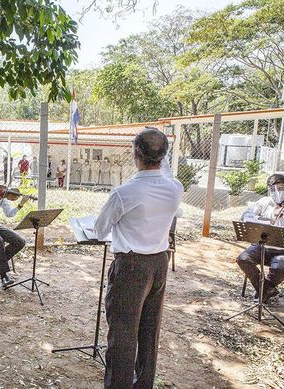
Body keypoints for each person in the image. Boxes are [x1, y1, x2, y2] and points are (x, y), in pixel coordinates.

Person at [94, 127, 183, 389]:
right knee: (149, 331)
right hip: (159, 263)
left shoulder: (125, 192)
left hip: (131, 265)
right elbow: (166, 174)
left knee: (122, 334)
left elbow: (100, 229)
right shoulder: (174, 188)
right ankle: (143, 383)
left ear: (135, 153)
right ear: (165, 156)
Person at [236, 173, 284, 302]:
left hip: (282, 251)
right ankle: (267, 290)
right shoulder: (265, 201)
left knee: (280, 267)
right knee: (243, 259)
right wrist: (263, 219)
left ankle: (264, 290)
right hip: (261, 246)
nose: (277, 192)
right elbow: (246, 215)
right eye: (273, 189)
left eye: (280, 189)